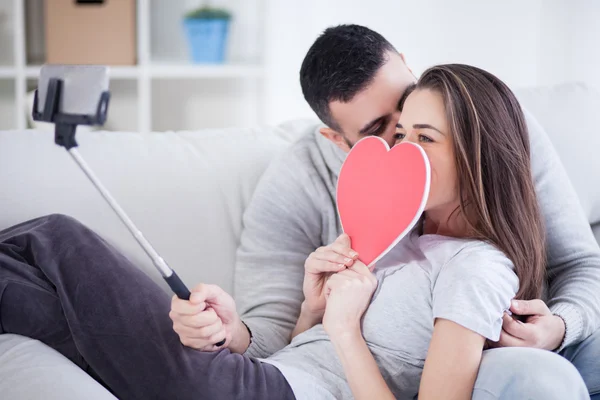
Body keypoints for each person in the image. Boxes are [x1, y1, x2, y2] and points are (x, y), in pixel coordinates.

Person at [0, 63, 590, 400]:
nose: (402, 152)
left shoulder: (479, 269)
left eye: (424, 138)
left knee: (55, 237)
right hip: (261, 377)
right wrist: (307, 313)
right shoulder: (393, 240)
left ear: (480, 157)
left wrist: (343, 328)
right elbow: (301, 353)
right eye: (399, 133)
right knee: (29, 293)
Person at [171, 25, 600, 398]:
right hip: (381, 370)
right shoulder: (295, 185)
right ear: (337, 140)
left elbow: (581, 262)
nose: (407, 145)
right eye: (387, 131)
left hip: (511, 334)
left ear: (407, 66)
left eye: (412, 107)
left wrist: (560, 325)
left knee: (549, 372)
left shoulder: (490, 127)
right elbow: (279, 332)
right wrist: (235, 332)